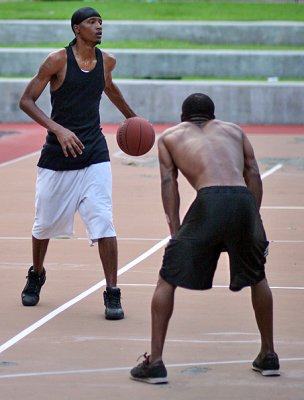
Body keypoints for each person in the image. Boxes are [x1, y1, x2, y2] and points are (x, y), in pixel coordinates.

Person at [130, 93, 280, 383]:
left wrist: (175, 229)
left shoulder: (170, 137)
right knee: (258, 275)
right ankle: (269, 355)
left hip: (209, 200)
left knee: (167, 279)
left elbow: (167, 182)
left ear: (183, 117)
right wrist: (252, 219)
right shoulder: (234, 130)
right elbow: (253, 173)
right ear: (213, 116)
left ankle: (156, 362)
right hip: (243, 200)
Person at [19, 7, 137, 320]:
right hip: (57, 155)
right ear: (76, 29)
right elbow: (26, 101)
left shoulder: (106, 61)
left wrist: (133, 118)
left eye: (101, 22)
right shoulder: (57, 60)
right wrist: (57, 129)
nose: (98, 27)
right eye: (92, 22)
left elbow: (109, 87)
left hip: (94, 152)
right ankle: (37, 273)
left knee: (103, 220)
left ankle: (112, 291)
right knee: (43, 224)